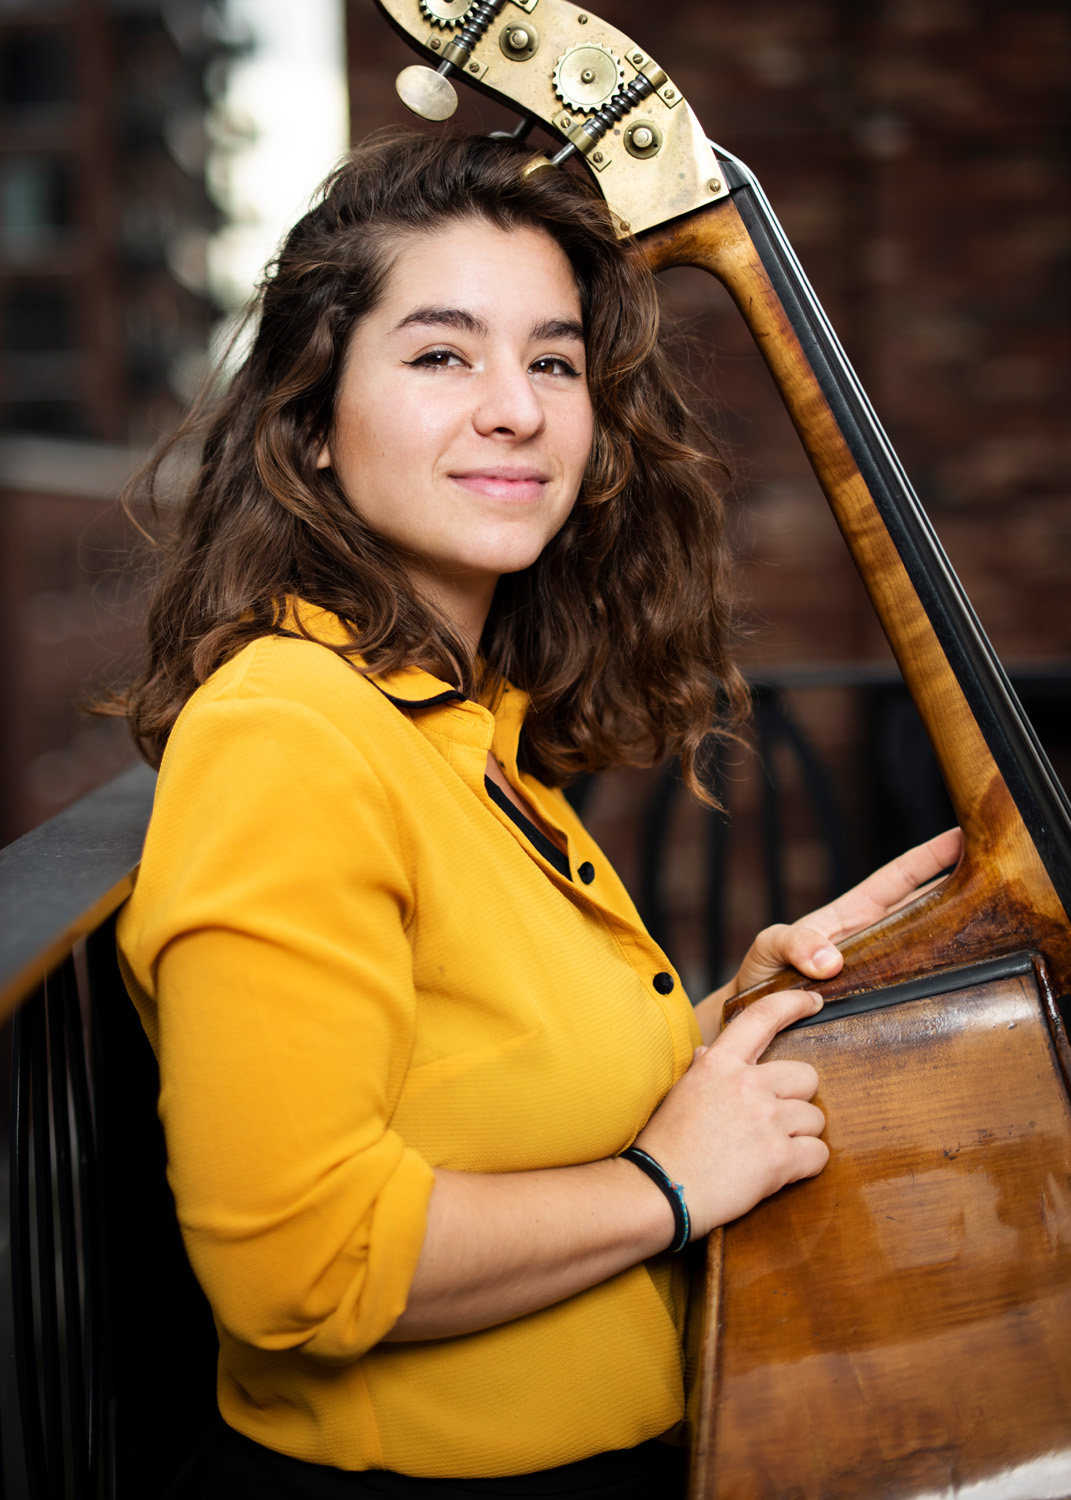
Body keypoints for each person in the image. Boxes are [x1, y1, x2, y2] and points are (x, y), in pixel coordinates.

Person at [114, 129, 960, 1498]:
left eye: (552, 360)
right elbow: (299, 1266)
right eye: (443, 354)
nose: (516, 408)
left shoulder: (457, 727)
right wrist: (672, 1187)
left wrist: (715, 1036)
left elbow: (479, 1093)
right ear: (315, 423)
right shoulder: (287, 733)